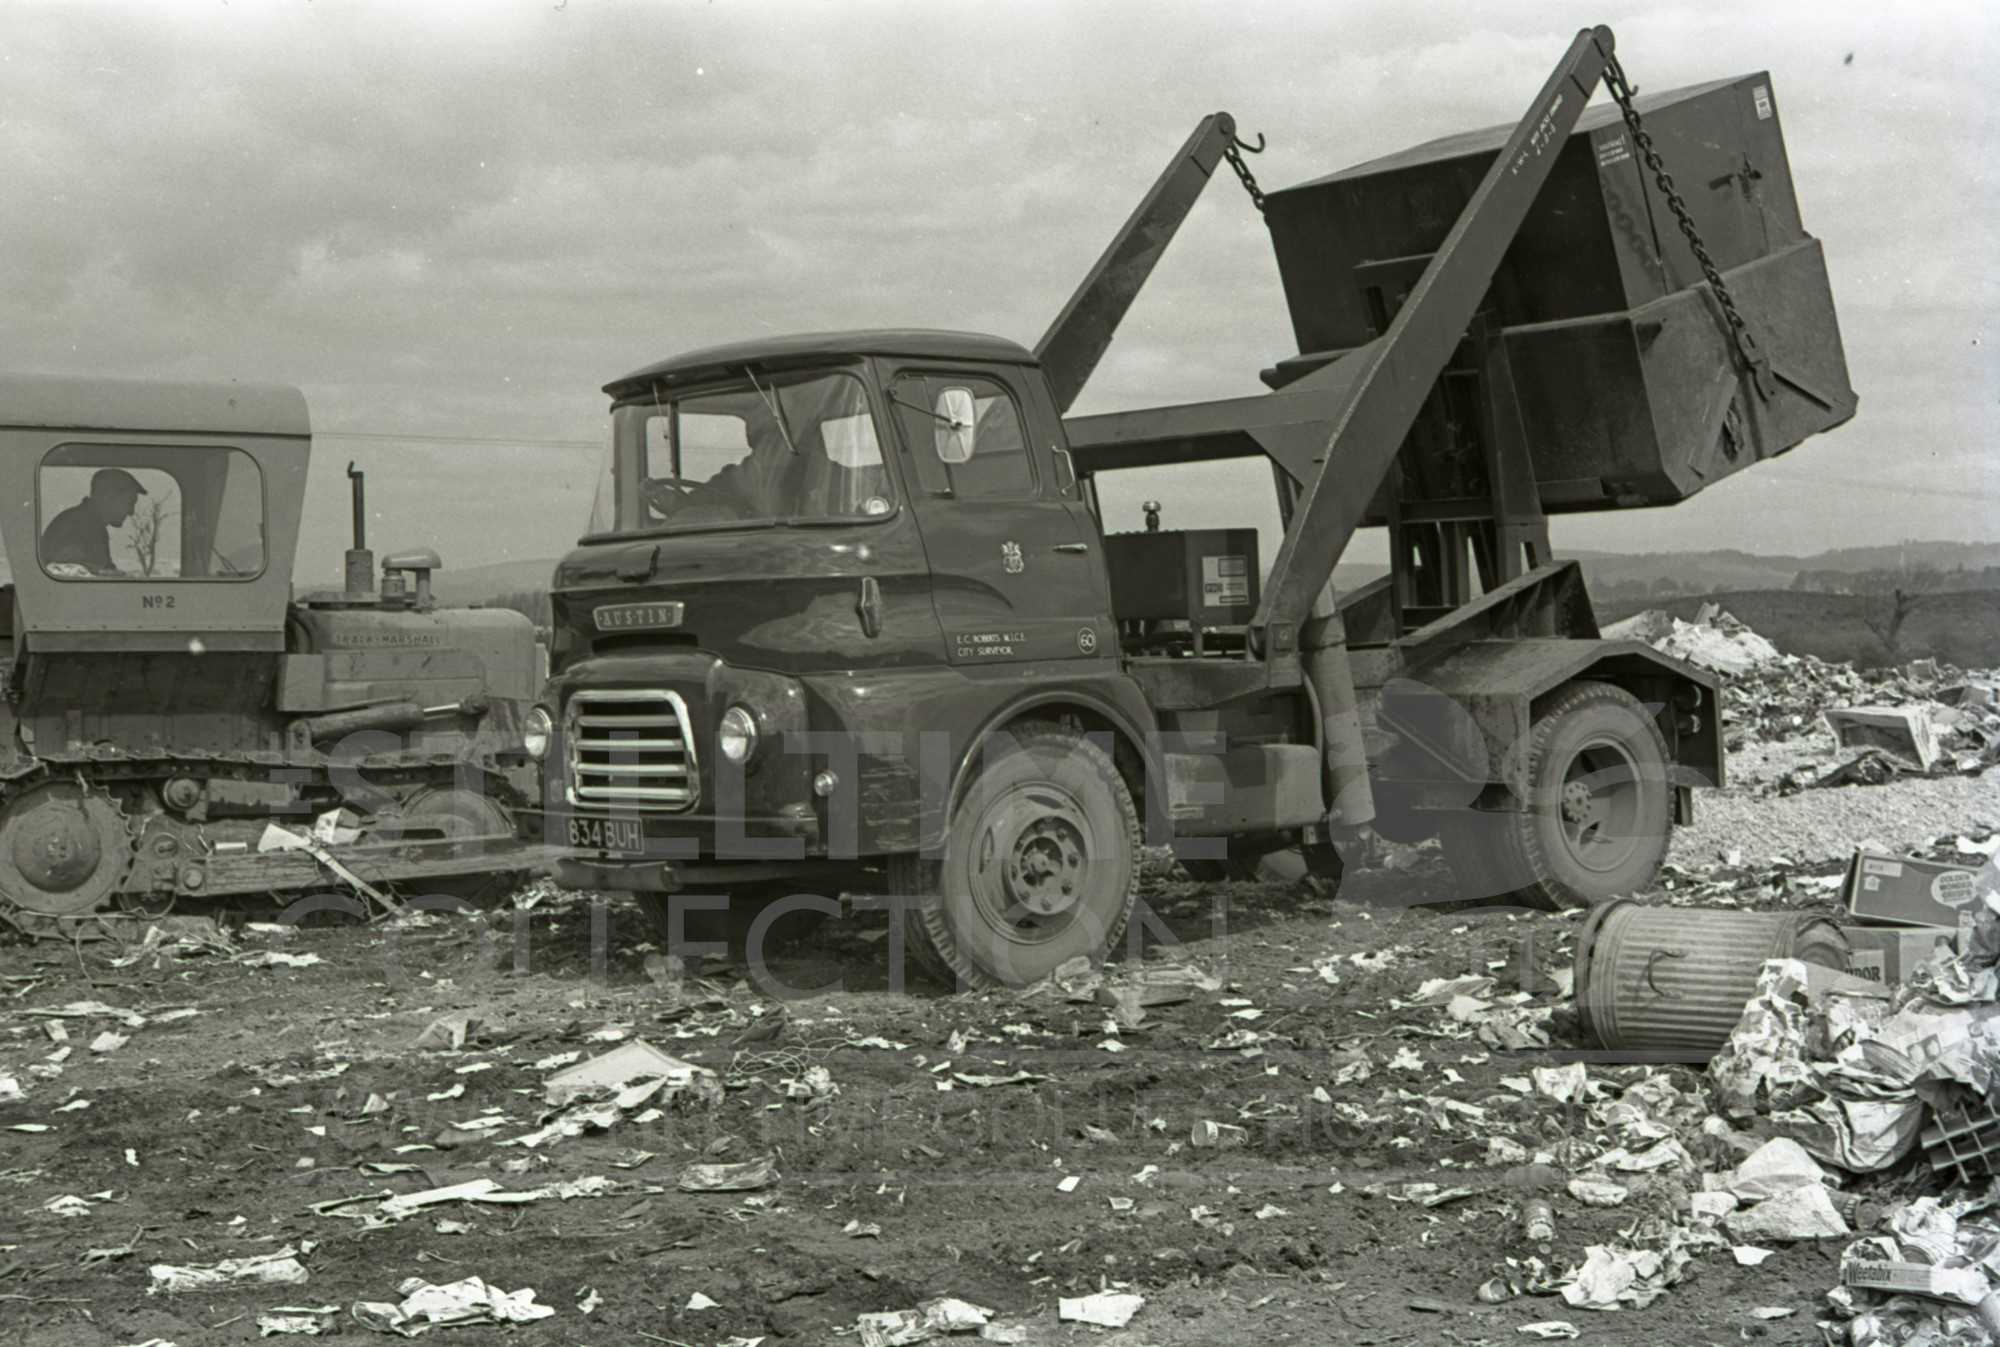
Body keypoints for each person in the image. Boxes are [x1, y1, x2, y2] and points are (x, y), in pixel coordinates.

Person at [41, 469, 146, 575]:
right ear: (109, 497)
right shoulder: (79, 525)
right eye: (129, 503)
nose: (131, 512)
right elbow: (72, 572)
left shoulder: (91, 524)